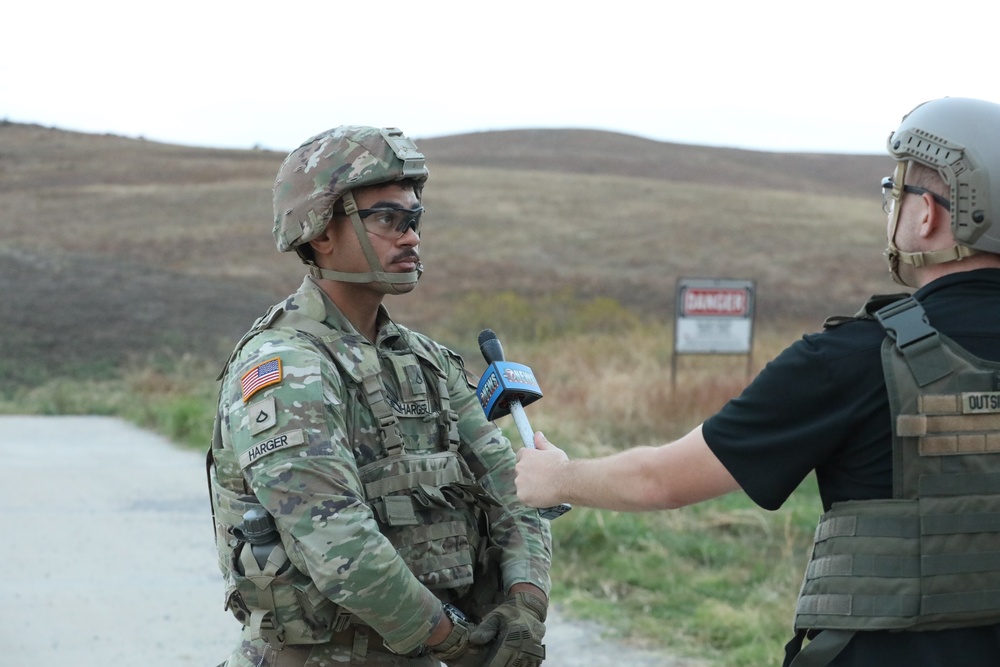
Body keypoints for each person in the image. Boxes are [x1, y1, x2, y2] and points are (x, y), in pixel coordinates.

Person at [514, 97, 1000, 666]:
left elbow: (660, 481)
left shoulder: (851, 358)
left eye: (899, 192)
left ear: (928, 215)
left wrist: (559, 478)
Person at [207, 126, 552, 667]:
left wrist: (523, 607)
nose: (411, 237)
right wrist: (459, 643)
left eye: (414, 220)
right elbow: (337, 541)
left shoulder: (429, 363)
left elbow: (513, 492)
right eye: (389, 219)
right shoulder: (286, 367)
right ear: (321, 231)